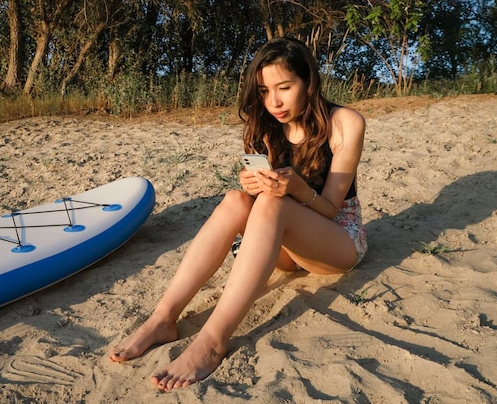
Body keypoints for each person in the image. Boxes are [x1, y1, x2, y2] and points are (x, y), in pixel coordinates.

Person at [109, 37, 368, 391]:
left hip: (337, 241)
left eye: (285, 87)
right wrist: (255, 186)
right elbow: (265, 204)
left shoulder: (345, 122)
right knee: (235, 200)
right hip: (286, 240)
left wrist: (296, 189)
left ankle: (213, 340)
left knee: (274, 204)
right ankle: (163, 318)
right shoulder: (267, 125)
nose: (273, 101)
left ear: (309, 81)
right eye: (264, 91)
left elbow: (330, 208)